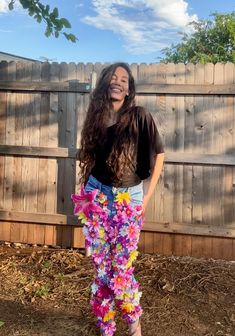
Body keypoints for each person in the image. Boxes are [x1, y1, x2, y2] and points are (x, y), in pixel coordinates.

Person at [71, 62, 164, 336]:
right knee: (101, 268)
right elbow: (88, 161)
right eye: (113, 77)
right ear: (104, 84)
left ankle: (134, 326)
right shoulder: (96, 117)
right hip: (95, 195)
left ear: (129, 89)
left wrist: (146, 198)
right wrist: (84, 201)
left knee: (121, 268)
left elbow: (159, 154)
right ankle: (106, 325)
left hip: (128, 199)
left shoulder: (139, 116)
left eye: (124, 79)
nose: (118, 82)